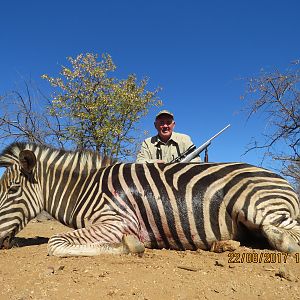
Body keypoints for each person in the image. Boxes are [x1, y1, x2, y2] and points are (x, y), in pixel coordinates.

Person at [136, 110, 201, 163]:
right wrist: (154, 162)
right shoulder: (147, 143)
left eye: (168, 122)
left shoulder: (184, 139)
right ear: (155, 125)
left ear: (173, 125)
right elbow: (139, 161)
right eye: (161, 123)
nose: (165, 126)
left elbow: (196, 160)